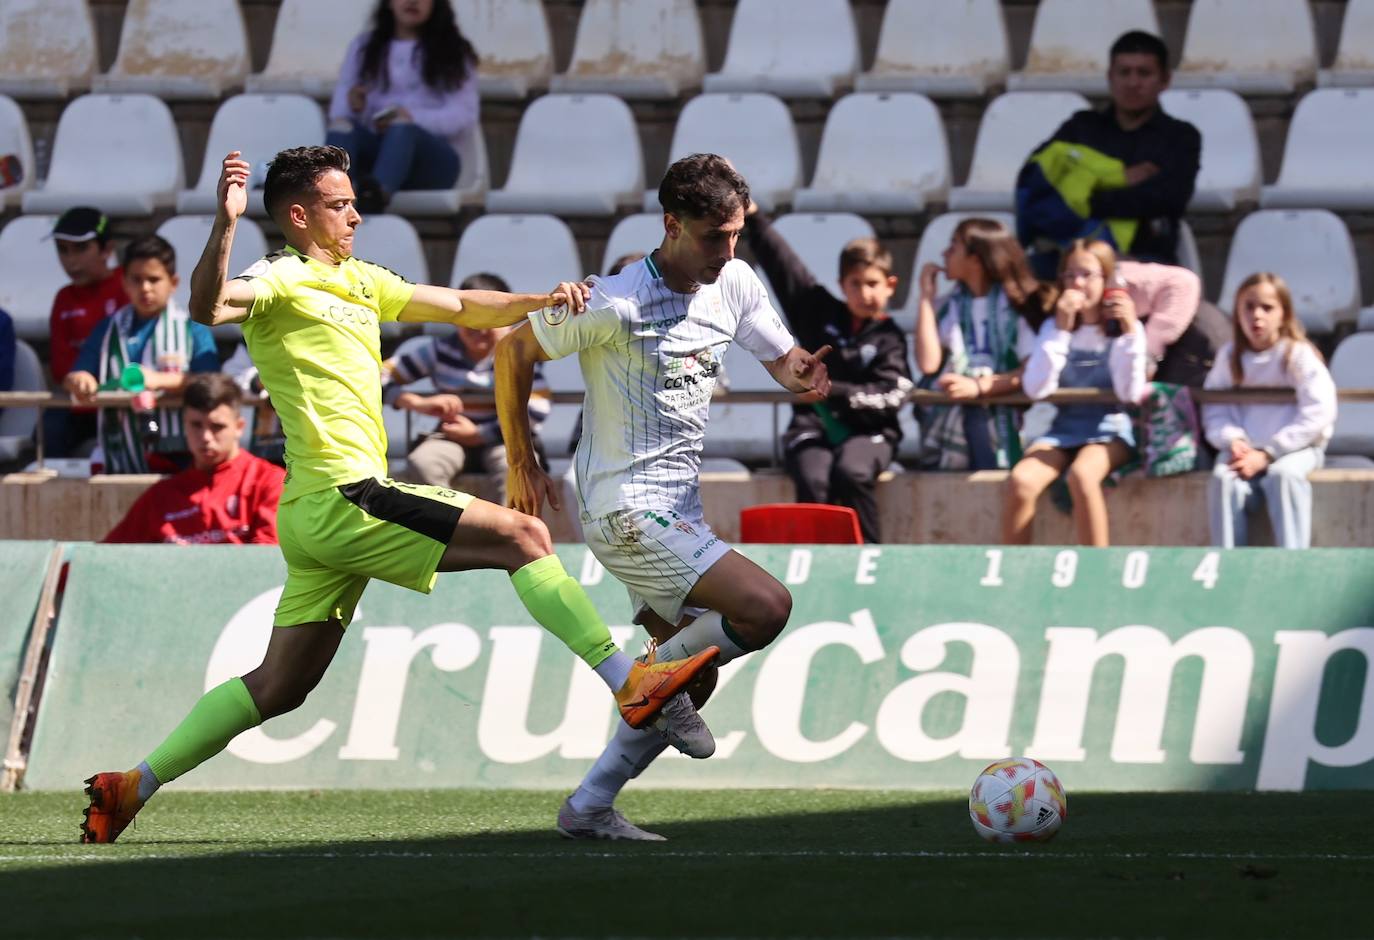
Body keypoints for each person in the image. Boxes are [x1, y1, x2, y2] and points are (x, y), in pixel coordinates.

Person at [78, 146, 718, 844]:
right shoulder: (278, 277)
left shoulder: (360, 280)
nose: (354, 213)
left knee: (279, 687)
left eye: (353, 201)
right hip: (346, 494)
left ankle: (131, 785)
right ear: (298, 215)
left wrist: (546, 299)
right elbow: (206, 305)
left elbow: (463, 305)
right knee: (524, 538)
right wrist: (225, 223)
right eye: (338, 204)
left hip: (316, 514)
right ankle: (632, 683)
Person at [496, 153, 832, 841]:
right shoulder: (614, 302)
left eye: (736, 234)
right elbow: (511, 351)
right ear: (671, 225)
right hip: (621, 508)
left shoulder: (732, 281)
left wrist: (804, 375)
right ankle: (648, 679)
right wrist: (521, 460)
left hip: (676, 510)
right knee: (767, 606)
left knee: (690, 679)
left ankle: (590, 805)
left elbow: (783, 360)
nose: (728, 250)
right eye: (714, 236)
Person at [743, 205, 911, 543]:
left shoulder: (890, 338)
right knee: (813, 477)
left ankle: (870, 561)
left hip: (871, 433)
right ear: (841, 284)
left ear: (890, 285)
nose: (865, 293)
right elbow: (783, 266)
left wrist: (831, 391)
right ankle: (814, 566)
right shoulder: (819, 311)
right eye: (855, 284)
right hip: (811, 426)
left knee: (853, 471)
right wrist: (753, 216)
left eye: (873, 283)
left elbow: (893, 395)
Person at [1016, 30, 1201, 277]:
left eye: (1144, 73)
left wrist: (1083, 191)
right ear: (1110, 77)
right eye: (1124, 72)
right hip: (1066, 255)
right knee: (1013, 278)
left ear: (1164, 80)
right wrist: (1121, 178)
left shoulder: (1180, 136)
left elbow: (1167, 198)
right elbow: (1036, 180)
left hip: (1142, 258)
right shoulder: (1080, 127)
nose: (1133, 83)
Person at [1003, 239, 1148, 547]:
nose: (1077, 283)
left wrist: (1129, 333)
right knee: (1022, 480)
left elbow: (1129, 392)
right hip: (1064, 428)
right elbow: (1036, 387)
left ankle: (1093, 570)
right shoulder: (1053, 328)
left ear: (1106, 279)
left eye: (1086, 275)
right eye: (1069, 275)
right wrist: (1061, 329)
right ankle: (1012, 571)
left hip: (1111, 429)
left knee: (1082, 476)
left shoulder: (1126, 330)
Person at [385, 273, 551, 505]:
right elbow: (377, 375)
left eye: (489, 319)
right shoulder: (438, 351)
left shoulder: (517, 351)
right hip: (450, 438)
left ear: (507, 319)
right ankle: (452, 527)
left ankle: (509, 535)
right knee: (423, 462)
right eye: (472, 318)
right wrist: (413, 402)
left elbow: (538, 408)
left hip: (505, 439)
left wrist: (479, 434)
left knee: (516, 468)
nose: (479, 327)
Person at [62, 235, 220, 474]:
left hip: (180, 457)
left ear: (173, 283)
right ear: (124, 283)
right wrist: (80, 380)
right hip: (119, 453)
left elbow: (210, 383)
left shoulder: (193, 328)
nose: (145, 288)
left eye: (154, 279)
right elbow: (77, 374)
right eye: (137, 280)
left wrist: (159, 380)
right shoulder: (107, 328)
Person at [1203, 273, 1336, 549]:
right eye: (1248, 307)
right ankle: (1227, 566)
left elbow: (1319, 411)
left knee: (1283, 477)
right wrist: (1233, 440)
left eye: (1267, 307)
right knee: (1223, 479)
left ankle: (1292, 564)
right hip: (1244, 452)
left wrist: (1270, 452)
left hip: (1295, 450)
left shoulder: (1298, 355)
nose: (1257, 316)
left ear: (1284, 314)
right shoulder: (1229, 357)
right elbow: (1215, 406)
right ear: (1237, 313)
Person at [913, 217, 1052, 470]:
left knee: (976, 413)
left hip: (997, 410)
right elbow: (928, 363)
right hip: (950, 411)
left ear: (976, 259)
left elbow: (1030, 370)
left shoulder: (1016, 307)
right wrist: (925, 297)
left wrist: (979, 387)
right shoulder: (946, 306)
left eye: (954, 246)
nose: (944, 254)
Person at [326, 0, 478, 213]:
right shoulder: (364, 47)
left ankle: (375, 198)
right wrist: (355, 106)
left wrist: (410, 118)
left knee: (402, 129)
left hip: (433, 163)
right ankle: (334, 203)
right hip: (378, 152)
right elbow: (339, 113)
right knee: (342, 127)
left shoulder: (454, 51)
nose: (413, 1)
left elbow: (463, 116)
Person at [103, 373, 285, 544]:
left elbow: (268, 562)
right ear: (184, 425)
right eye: (196, 425)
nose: (206, 437)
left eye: (217, 426)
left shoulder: (269, 483)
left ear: (239, 427)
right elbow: (104, 559)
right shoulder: (159, 499)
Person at [44, 207, 128, 457]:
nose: (71, 260)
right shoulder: (63, 298)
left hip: (126, 400)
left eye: (81, 249)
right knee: (49, 428)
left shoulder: (131, 283)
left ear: (107, 249)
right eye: (63, 249)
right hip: (79, 403)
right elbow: (61, 368)